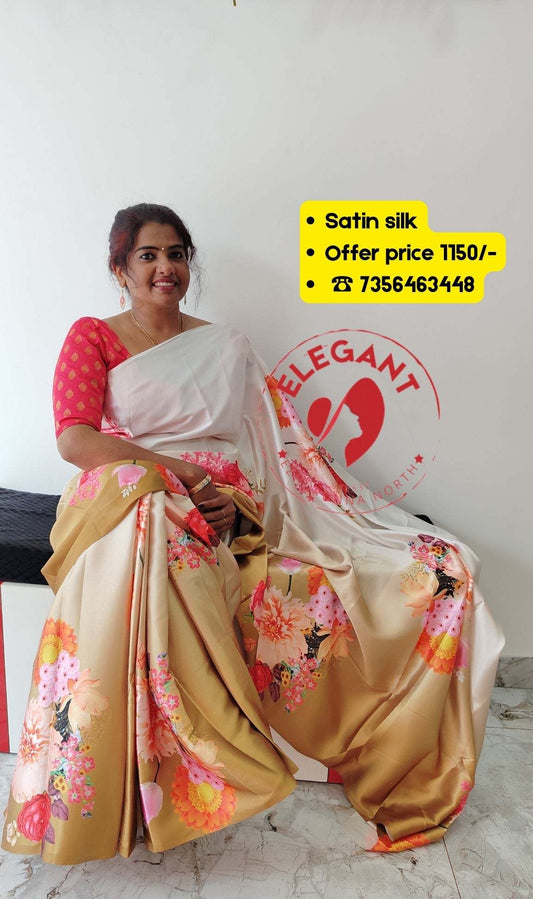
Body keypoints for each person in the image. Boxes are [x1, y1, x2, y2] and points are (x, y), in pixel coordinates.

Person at [2, 203, 503, 864]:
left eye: (176, 253)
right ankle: (202, 757)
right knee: (154, 523)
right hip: (123, 486)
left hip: (211, 500)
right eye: (147, 255)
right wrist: (175, 474)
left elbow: (269, 453)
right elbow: (76, 438)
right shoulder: (93, 335)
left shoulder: (225, 345)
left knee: (194, 536)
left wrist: (233, 505)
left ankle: (197, 755)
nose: (164, 267)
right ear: (118, 268)